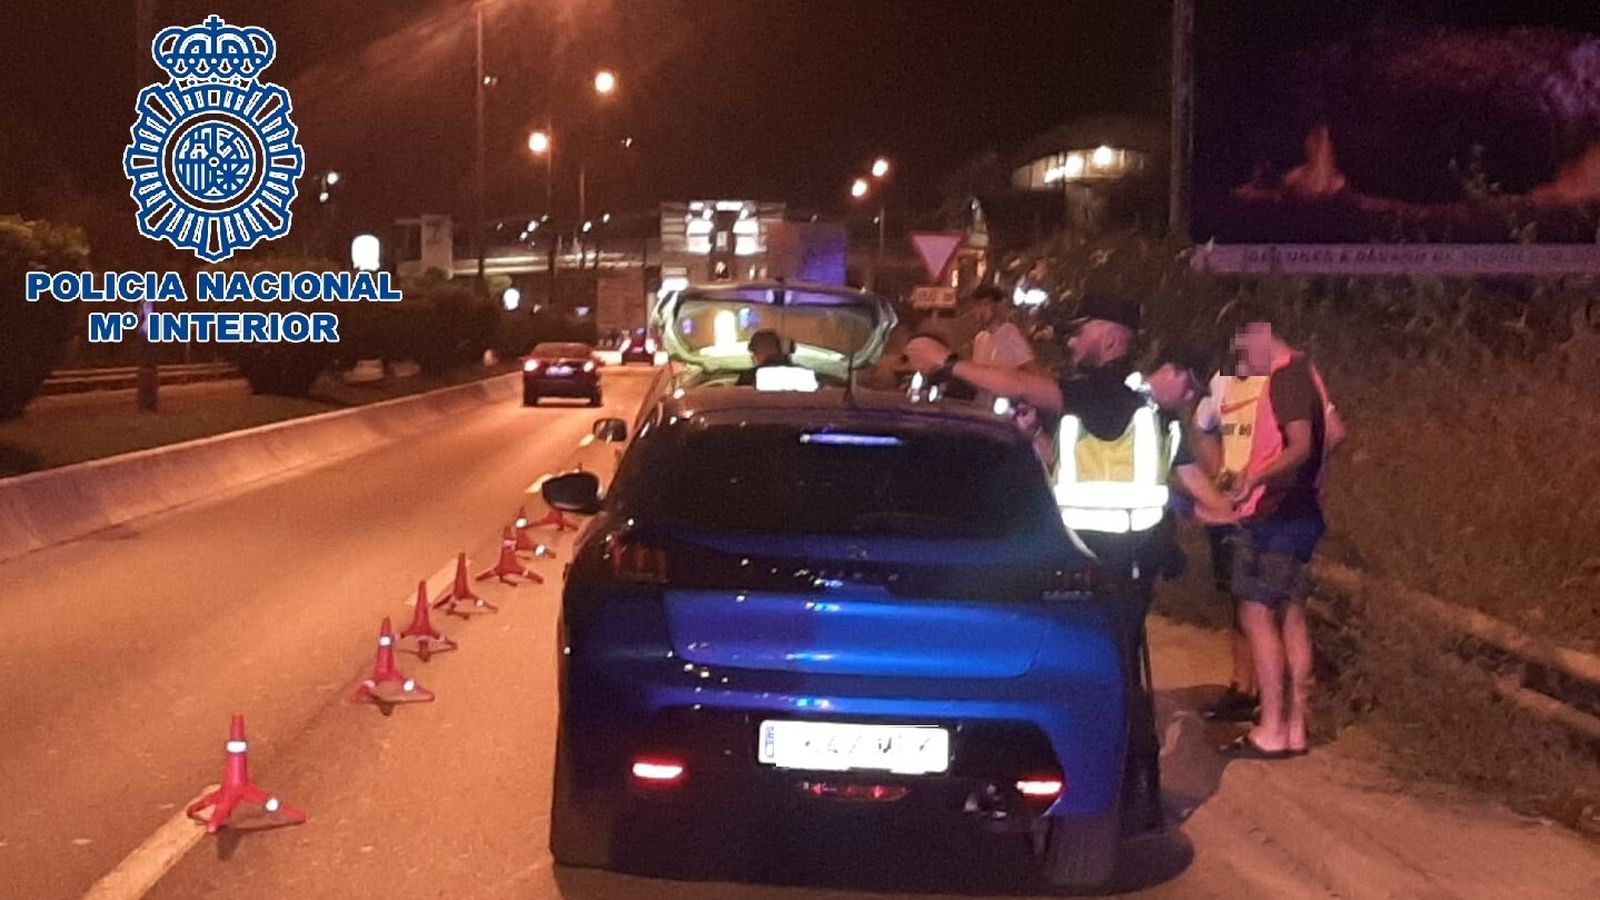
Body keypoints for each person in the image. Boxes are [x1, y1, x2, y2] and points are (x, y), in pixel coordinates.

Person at [1218, 313, 1344, 759]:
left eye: (1242, 347)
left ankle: (1270, 729)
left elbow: (1301, 445)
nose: (1242, 361)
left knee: (1256, 612)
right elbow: (1336, 434)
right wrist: (1313, 479)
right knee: (1290, 613)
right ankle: (1295, 728)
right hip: (1303, 512)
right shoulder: (1309, 373)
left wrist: (1258, 477)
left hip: (1276, 514)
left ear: (1261, 334)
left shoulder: (1284, 377)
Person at [1191, 342, 1272, 723]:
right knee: (1238, 597)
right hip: (1230, 507)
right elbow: (1202, 429)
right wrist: (1220, 472)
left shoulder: (1277, 386)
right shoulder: (1222, 383)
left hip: (1269, 506)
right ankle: (1243, 686)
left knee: (1265, 600)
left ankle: (1269, 692)